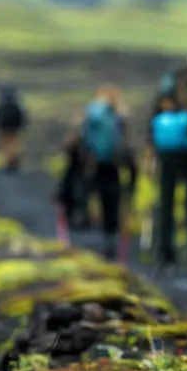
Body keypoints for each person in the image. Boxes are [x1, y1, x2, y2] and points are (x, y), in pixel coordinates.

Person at [147, 46, 187, 269]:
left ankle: (164, 252)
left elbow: (154, 116)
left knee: (166, 202)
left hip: (169, 152)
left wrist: (151, 147)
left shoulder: (170, 83)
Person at [70, 85, 139, 259]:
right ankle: (110, 237)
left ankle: (87, 225)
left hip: (93, 163)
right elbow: (124, 143)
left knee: (93, 195)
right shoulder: (116, 116)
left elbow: (82, 139)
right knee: (112, 201)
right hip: (113, 165)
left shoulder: (91, 114)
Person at [0, 86, 27, 172]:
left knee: (5, 144)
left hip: (4, 125)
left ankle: (8, 162)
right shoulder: (17, 103)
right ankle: (13, 161)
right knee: (13, 143)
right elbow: (22, 115)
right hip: (15, 126)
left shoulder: (1, 103)